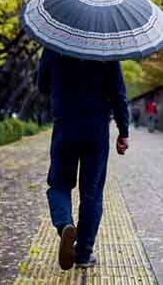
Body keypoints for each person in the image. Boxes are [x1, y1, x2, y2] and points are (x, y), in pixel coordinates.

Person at [37, 48, 130, 270]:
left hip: (65, 125)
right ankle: (83, 254)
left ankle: (65, 225)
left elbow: (41, 85)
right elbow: (118, 92)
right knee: (92, 193)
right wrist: (123, 130)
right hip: (96, 129)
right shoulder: (106, 47)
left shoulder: (53, 44)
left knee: (59, 184)